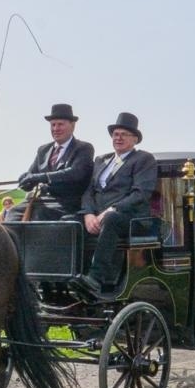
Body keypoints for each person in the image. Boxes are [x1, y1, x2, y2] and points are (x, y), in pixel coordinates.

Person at [77, 113, 156, 297]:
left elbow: (140, 193)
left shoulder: (143, 159)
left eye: (124, 134)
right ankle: (66, 275)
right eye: (115, 134)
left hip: (131, 218)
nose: (118, 138)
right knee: (67, 221)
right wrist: (88, 214)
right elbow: (89, 191)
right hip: (97, 216)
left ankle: (96, 278)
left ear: (135, 139)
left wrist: (112, 209)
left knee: (111, 218)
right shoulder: (101, 160)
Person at [15, 104, 95, 220]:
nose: (56, 129)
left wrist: (42, 177)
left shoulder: (84, 148)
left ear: (72, 126)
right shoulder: (43, 150)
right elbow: (32, 176)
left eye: (60, 124)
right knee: (12, 214)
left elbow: (75, 173)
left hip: (66, 204)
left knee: (41, 214)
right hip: (41, 200)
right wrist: (26, 181)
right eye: (53, 125)